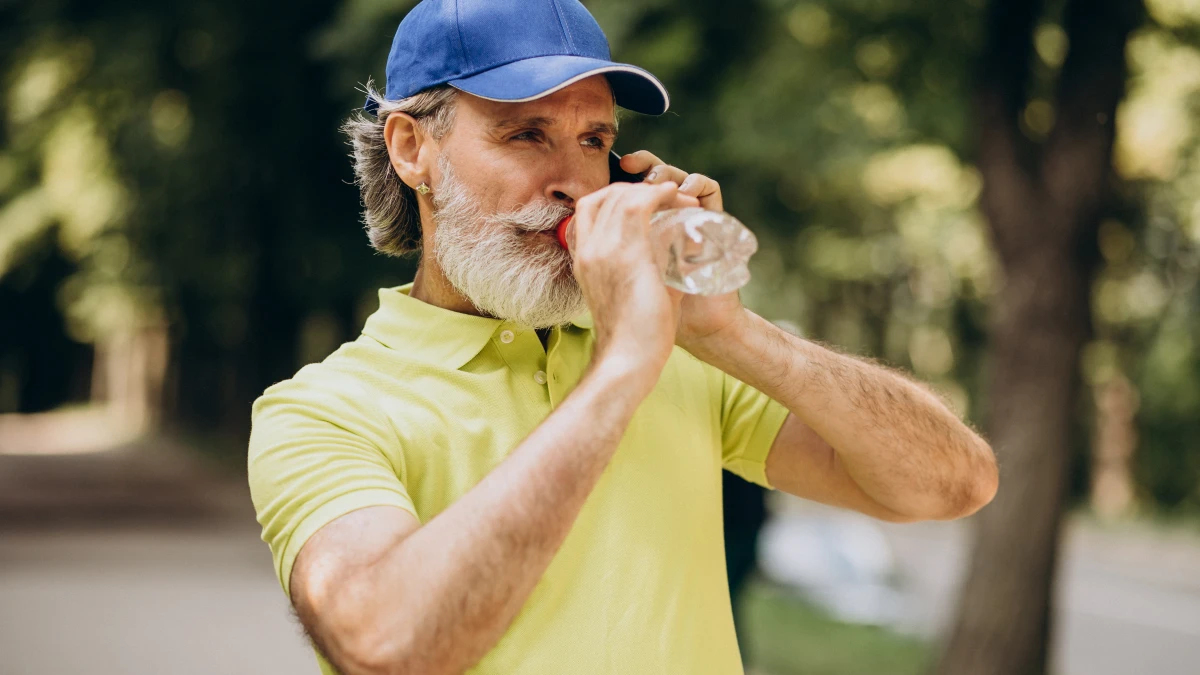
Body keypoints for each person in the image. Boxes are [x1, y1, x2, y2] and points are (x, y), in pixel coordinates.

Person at [247, 1, 999, 673]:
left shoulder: (684, 352)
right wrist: (625, 362)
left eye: (594, 137)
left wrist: (729, 332)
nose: (577, 180)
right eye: (527, 134)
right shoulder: (322, 409)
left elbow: (955, 483)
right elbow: (384, 644)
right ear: (413, 148)